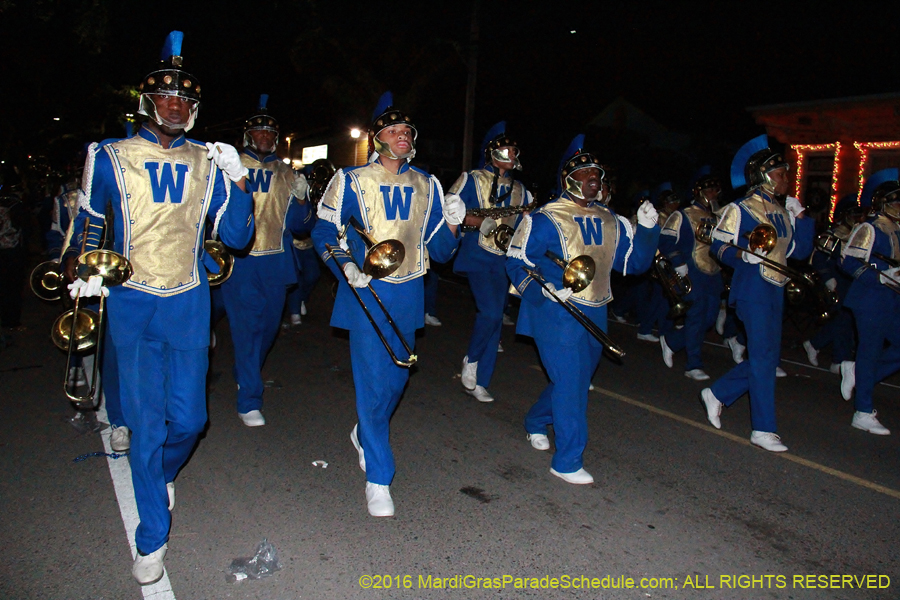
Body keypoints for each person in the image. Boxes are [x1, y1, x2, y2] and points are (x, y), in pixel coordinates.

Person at [63, 31, 254, 584]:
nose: (176, 106)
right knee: (146, 426)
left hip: (189, 302)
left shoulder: (208, 161)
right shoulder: (109, 156)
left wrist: (239, 180)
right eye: (166, 98)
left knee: (192, 419)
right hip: (132, 302)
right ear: (148, 103)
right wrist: (81, 264)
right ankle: (151, 537)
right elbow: (92, 223)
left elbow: (238, 238)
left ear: (194, 111)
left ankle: (160, 474)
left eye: (186, 101)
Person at [311, 92, 463, 516]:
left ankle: (364, 432)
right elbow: (324, 232)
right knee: (373, 384)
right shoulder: (350, 179)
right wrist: (345, 266)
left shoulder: (428, 184)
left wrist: (452, 223)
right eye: (394, 130)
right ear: (378, 138)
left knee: (397, 380)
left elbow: (444, 253)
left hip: (410, 291)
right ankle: (379, 477)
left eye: (407, 131)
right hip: (366, 291)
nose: (402, 136)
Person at [506, 135, 659, 484]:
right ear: (568, 178)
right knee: (572, 382)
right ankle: (568, 460)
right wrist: (543, 290)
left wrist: (649, 232)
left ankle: (534, 420)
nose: (594, 177)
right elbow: (516, 261)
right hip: (555, 308)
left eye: (597, 172)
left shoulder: (613, 219)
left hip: (597, 307)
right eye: (585, 171)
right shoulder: (545, 217)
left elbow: (632, 265)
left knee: (576, 379)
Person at [700, 135, 814, 452]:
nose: (786, 179)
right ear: (763, 174)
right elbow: (718, 245)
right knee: (764, 359)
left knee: (766, 358)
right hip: (752, 288)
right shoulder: (741, 208)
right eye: (781, 173)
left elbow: (799, 251)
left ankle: (718, 393)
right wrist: (741, 256)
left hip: (776, 288)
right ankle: (763, 429)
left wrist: (801, 219)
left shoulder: (782, 210)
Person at [221, 95, 311, 427]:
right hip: (241, 261)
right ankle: (249, 398)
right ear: (247, 136)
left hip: (276, 261)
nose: (264, 137)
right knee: (246, 328)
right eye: (258, 132)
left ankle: (245, 372)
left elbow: (302, 227)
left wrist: (302, 199)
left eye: (269, 133)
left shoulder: (286, 172)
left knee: (269, 329)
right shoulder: (230, 166)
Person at [448, 121, 532, 403]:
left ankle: (481, 381)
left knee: (496, 323)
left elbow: (528, 224)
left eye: (514, 150)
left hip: (504, 259)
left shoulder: (522, 190)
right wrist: (476, 221)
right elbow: (448, 210)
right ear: (493, 152)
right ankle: (470, 361)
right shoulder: (471, 178)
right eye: (506, 149)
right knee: (492, 314)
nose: (511, 154)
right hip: (477, 254)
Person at [838, 169, 900, 435]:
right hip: (870, 299)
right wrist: (879, 277)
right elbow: (848, 261)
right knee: (870, 350)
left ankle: (860, 373)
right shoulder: (869, 228)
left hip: (892, 299)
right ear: (882, 204)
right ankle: (862, 411)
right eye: (895, 202)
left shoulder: (898, 229)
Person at [658, 168, 725, 380]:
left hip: (713, 273)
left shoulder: (720, 216)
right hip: (692, 270)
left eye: (716, 190)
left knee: (709, 318)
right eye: (711, 190)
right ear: (700, 192)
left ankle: (672, 341)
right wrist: (678, 262)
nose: (715, 193)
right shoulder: (683, 214)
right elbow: (666, 240)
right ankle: (693, 364)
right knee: (696, 317)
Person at [801, 194, 862, 373]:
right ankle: (839, 359)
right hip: (837, 281)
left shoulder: (860, 234)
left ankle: (815, 344)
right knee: (843, 319)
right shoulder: (833, 235)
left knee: (847, 320)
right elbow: (819, 258)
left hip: (851, 282)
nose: (856, 219)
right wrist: (828, 278)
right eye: (852, 215)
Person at [286, 159, 331, 325]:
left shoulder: (322, 190)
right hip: (293, 239)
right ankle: (294, 310)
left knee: (313, 275)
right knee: (295, 275)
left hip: (310, 238)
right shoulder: (298, 182)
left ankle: (301, 299)